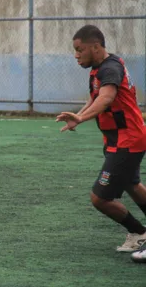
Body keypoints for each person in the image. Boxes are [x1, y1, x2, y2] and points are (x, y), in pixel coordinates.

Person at [56, 25, 146, 253]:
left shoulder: (110, 69)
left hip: (128, 139)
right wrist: (79, 117)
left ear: (95, 47)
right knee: (132, 184)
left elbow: (106, 98)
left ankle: (139, 233)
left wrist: (82, 117)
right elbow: (95, 97)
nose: (76, 55)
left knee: (99, 198)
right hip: (120, 138)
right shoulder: (99, 69)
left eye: (80, 49)